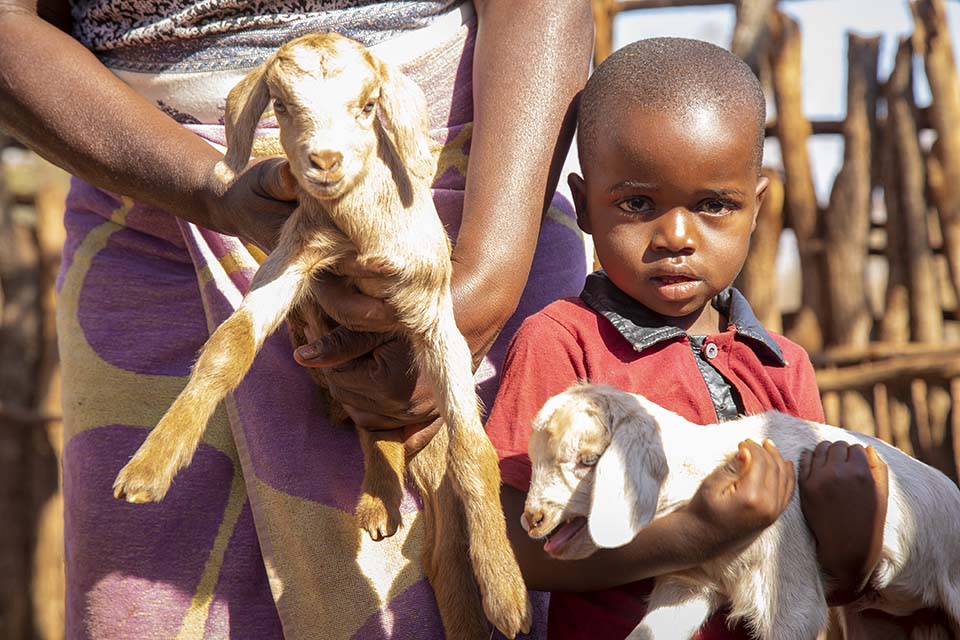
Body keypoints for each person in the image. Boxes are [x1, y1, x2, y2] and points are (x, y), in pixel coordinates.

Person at [0, 1, 592, 638]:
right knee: (154, 591)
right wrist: (211, 186)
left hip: (473, 189)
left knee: (487, 541)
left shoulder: (409, 137)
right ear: (260, 107)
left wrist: (480, 289)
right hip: (147, 193)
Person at [482, 37, 908, 639]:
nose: (676, 236)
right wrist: (696, 534)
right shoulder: (566, 345)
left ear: (757, 206)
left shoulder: (783, 367)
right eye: (637, 202)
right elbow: (513, 552)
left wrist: (854, 539)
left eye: (713, 205)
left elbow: (820, 581)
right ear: (583, 205)